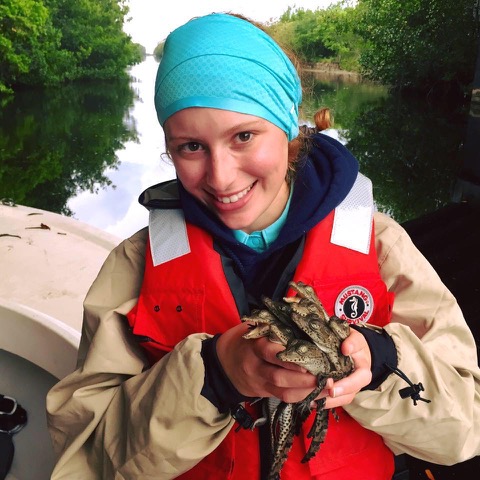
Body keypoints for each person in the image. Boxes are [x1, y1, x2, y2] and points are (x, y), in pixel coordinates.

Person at [46, 12, 480, 480]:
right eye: (191, 147)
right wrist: (214, 376)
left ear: (290, 128)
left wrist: (381, 363)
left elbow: (466, 428)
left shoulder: (381, 243)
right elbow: (86, 458)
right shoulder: (135, 265)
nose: (221, 176)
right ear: (169, 149)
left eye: (244, 136)